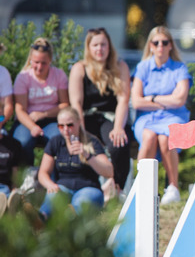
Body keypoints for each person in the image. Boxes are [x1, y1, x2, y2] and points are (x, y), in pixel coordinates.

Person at [131, 26, 192, 205]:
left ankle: (173, 187)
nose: (160, 46)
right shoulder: (142, 67)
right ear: (150, 45)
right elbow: (136, 102)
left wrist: (153, 98)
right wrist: (166, 101)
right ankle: (142, 187)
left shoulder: (179, 68)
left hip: (175, 117)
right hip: (147, 118)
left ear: (171, 45)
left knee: (167, 138)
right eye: (156, 43)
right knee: (149, 136)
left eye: (164, 42)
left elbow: (180, 100)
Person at [68, 27, 132, 195]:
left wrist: (118, 127)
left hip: (111, 118)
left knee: (118, 144)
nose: (100, 49)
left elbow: (123, 99)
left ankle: (117, 188)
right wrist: (80, 132)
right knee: (83, 146)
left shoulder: (120, 66)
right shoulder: (79, 68)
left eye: (103, 44)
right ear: (88, 48)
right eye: (95, 45)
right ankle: (90, 189)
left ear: (109, 46)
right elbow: (76, 103)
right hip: (85, 118)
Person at [35, 106, 112, 218]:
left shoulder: (92, 141)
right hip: (63, 187)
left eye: (70, 125)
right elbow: (43, 173)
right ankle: (40, 219)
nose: (66, 129)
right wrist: (50, 185)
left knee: (81, 202)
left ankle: (68, 219)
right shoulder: (55, 142)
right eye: (61, 126)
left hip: (88, 188)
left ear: (79, 122)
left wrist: (88, 156)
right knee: (53, 198)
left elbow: (109, 172)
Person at [12, 38, 69, 165]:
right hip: (27, 120)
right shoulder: (23, 77)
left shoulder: (59, 75)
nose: (39, 67)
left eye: (44, 63)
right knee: (22, 141)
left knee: (57, 139)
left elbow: (65, 105)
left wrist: (43, 114)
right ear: (31, 60)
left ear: (50, 60)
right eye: (36, 62)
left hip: (52, 118)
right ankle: (26, 175)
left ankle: (52, 176)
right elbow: (20, 109)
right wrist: (32, 127)